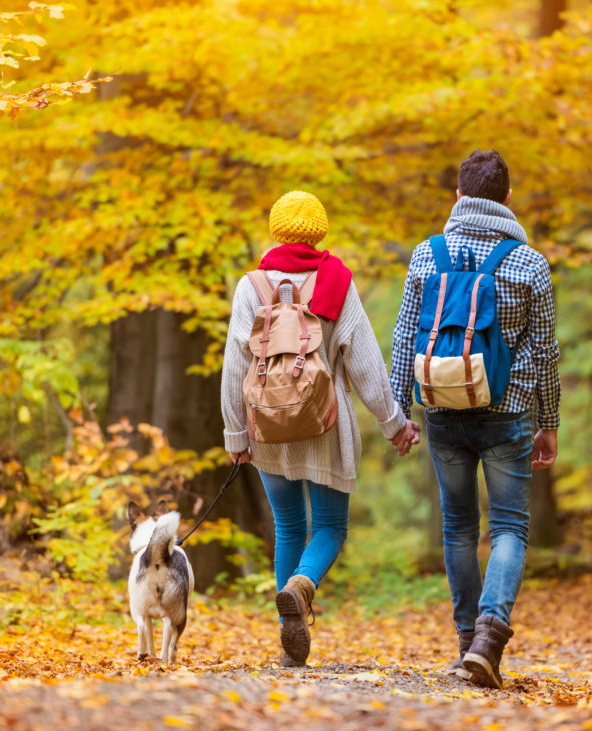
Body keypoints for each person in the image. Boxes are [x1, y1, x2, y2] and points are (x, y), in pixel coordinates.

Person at [222, 190, 420, 667]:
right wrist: (394, 424)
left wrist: (235, 434)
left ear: (276, 230)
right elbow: (368, 365)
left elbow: (234, 366)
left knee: (289, 524)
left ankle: (288, 627)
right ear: (320, 232)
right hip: (326, 424)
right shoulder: (336, 282)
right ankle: (301, 587)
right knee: (330, 525)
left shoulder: (251, 287)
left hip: (267, 426)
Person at [389, 150, 560, 688]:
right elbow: (546, 351)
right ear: (508, 199)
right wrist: (548, 420)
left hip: (441, 409)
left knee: (458, 526)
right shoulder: (529, 263)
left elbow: (402, 336)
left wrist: (400, 412)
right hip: (507, 412)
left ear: (459, 197)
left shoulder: (426, 255)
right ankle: (489, 638)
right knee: (508, 525)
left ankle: (467, 643)